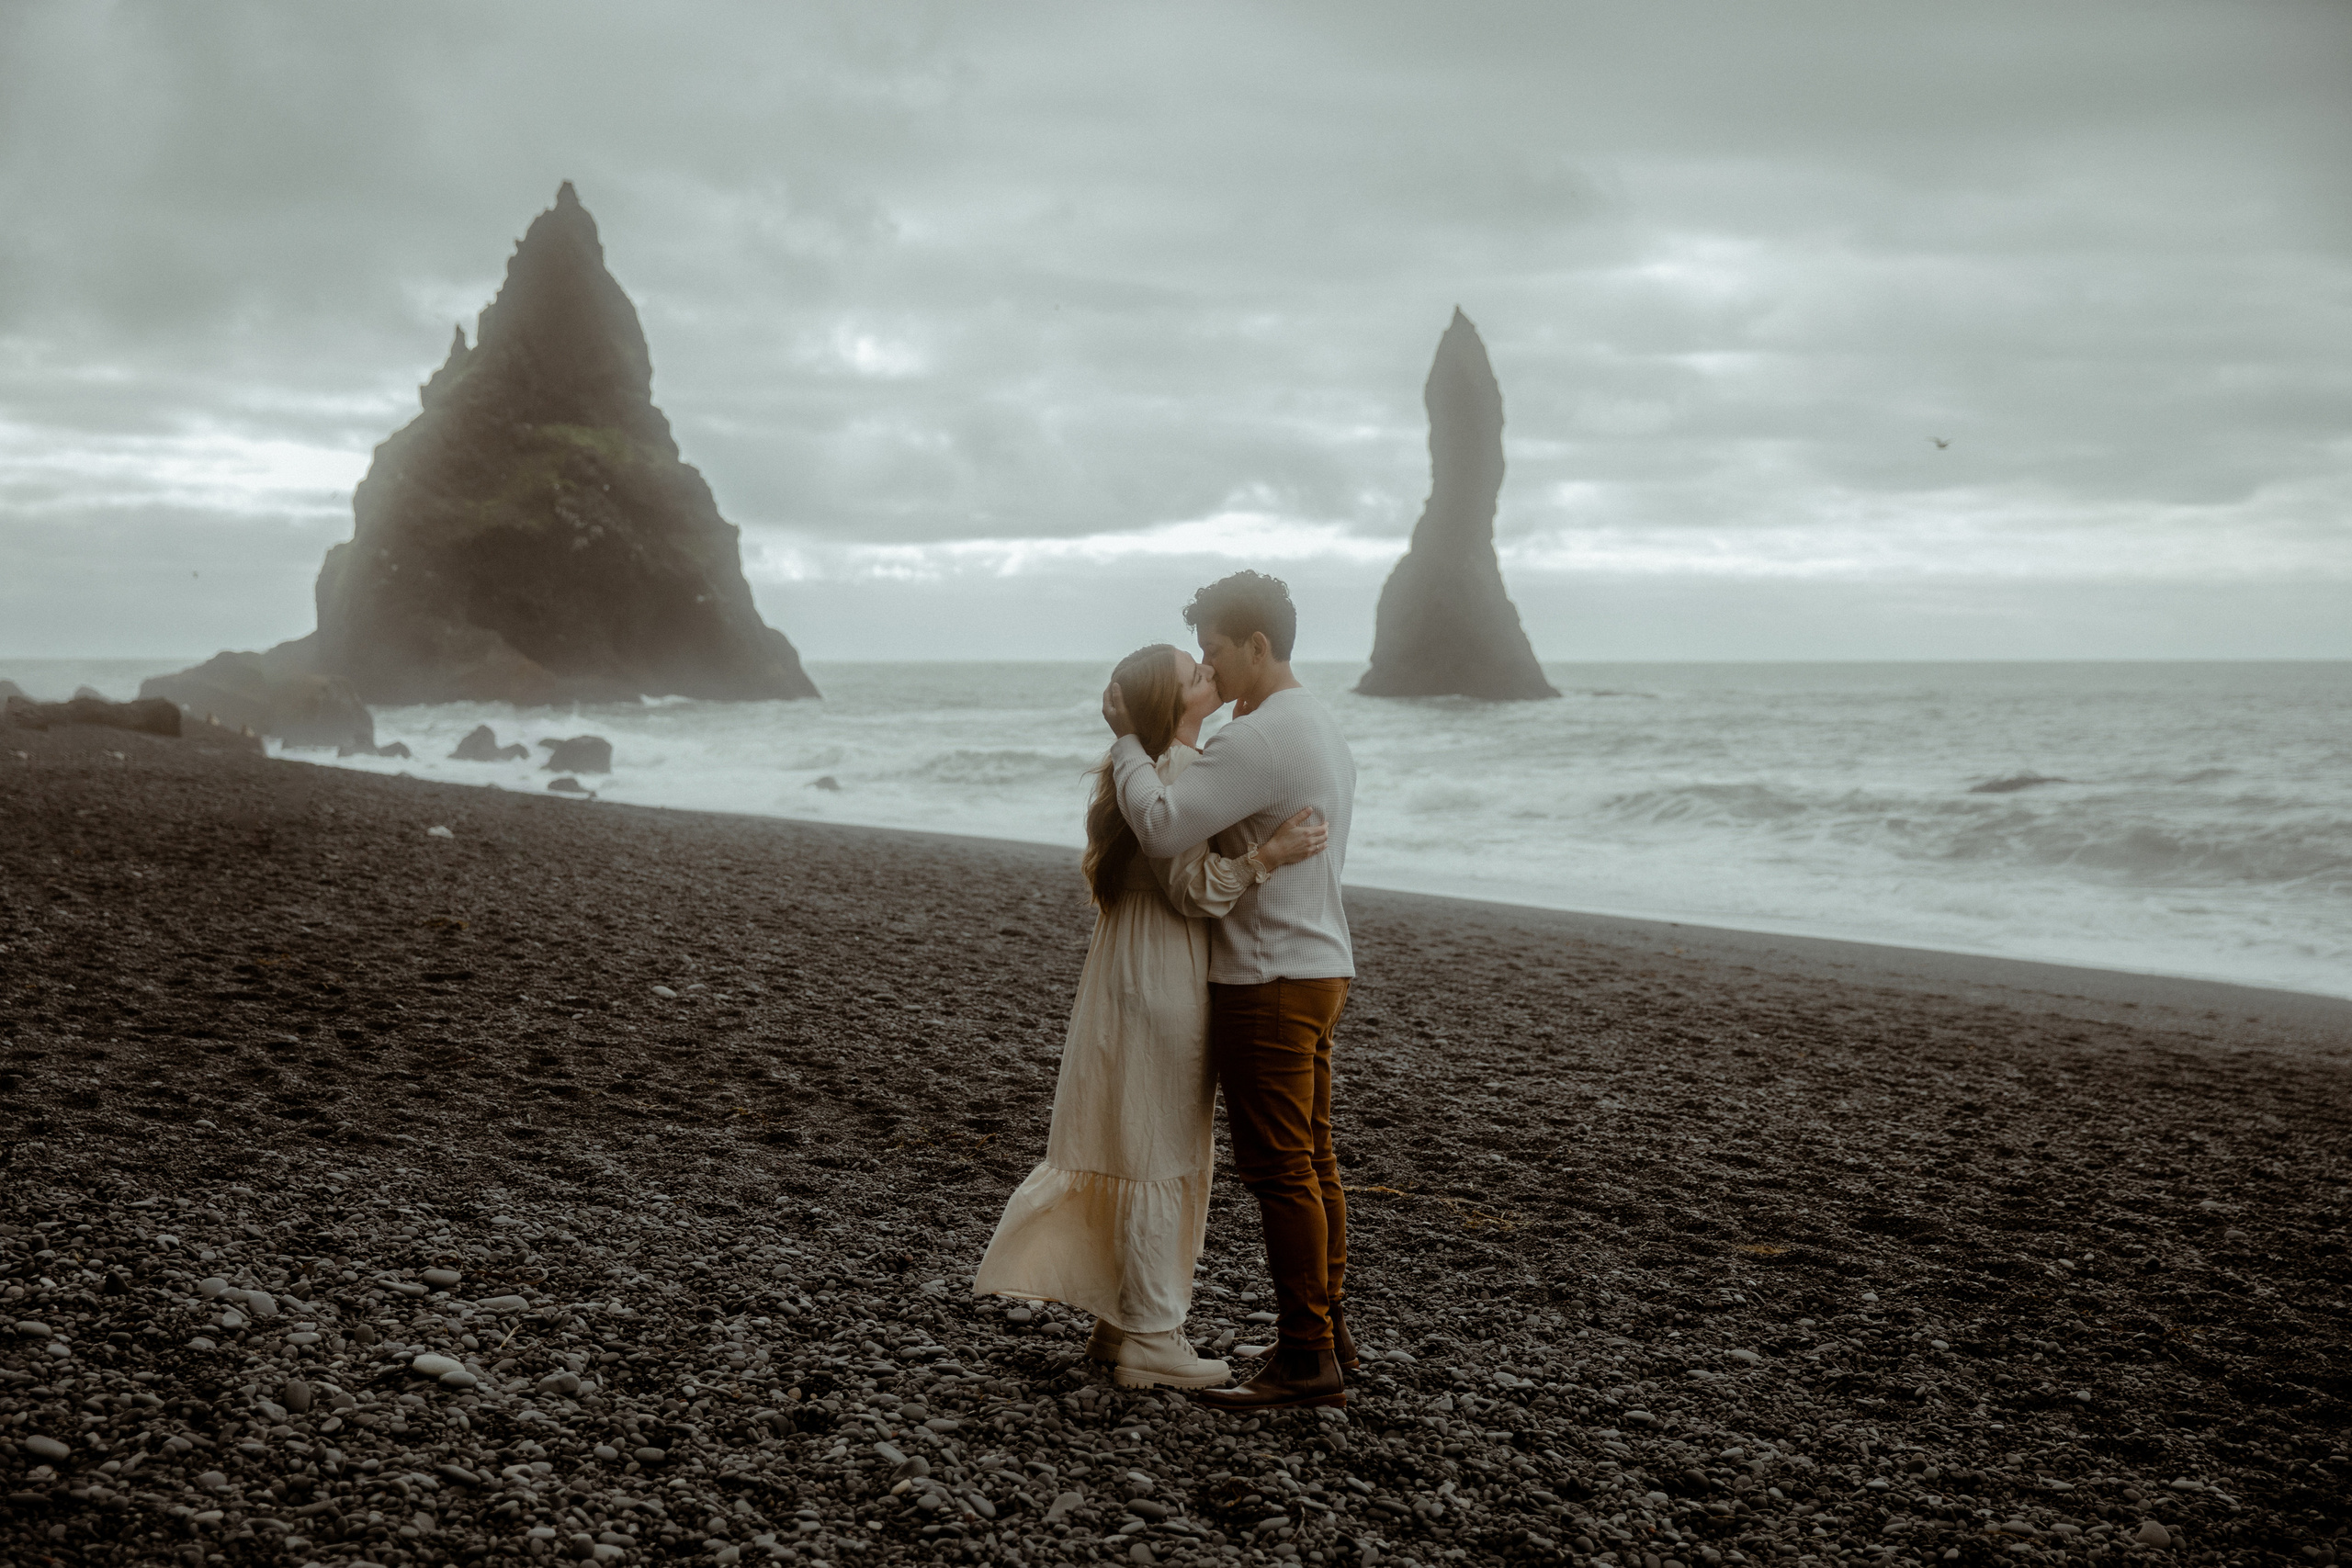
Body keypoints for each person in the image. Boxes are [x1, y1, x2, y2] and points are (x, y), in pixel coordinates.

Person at [972, 641, 1328, 1390]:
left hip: (1124, 966)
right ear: (1176, 706)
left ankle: (1119, 1322)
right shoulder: (1175, 774)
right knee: (1163, 1145)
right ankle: (1154, 1335)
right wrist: (1272, 854)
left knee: (1132, 1135)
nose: (1208, 673)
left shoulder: (1134, 776)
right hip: (1165, 970)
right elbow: (1195, 892)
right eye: (1193, 676)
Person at [1101, 570, 1359, 1413]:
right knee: (1312, 1160)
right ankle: (1327, 1332)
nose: (1208, 666)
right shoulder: (1314, 721)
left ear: (1257, 645)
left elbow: (1168, 825)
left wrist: (1128, 745)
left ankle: (1306, 1358)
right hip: (1321, 964)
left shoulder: (1253, 740)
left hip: (1268, 975)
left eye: (1213, 649)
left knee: (1282, 1169)